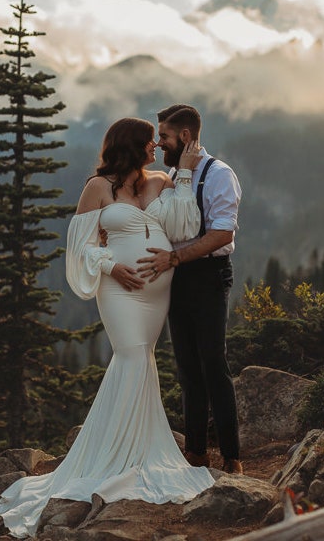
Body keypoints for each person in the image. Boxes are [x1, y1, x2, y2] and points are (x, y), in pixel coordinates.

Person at [0, 117, 214, 539]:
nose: (155, 148)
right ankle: (112, 458)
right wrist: (112, 266)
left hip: (155, 294)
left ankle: (138, 450)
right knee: (131, 355)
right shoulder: (97, 188)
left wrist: (183, 174)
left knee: (142, 357)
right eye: (149, 142)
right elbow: (80, 249)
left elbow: (185, 226)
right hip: (119, 290)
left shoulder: (161, 183)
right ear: (130, 146)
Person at [136, 105, 243, 475]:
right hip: (176, 278)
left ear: (183, 137)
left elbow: (222, 233)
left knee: (214, 364)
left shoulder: (219, 175)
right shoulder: (173, 173)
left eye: (163, 135)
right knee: (186, 368)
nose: (158, 141)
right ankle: (196, 454)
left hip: (209, 276)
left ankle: (232, 458)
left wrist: (175, 259)